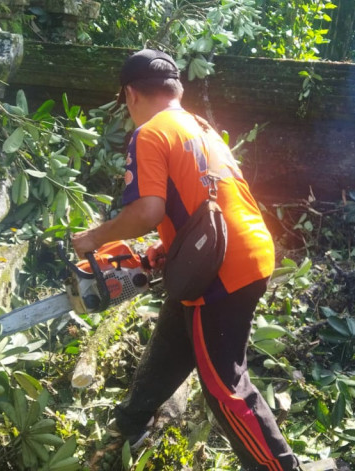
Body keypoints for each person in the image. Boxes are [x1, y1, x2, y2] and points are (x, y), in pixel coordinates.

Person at [72, 49, 300, 471]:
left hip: (220, 270)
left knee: (224, 387)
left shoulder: (151, 133)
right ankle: (129, 425)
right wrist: (169, 248)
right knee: (172, 343)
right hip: (239, 250)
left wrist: (93, 238)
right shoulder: (200, 127)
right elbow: (206, 201)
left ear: (130, 95)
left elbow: (147, 211)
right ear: (175, 89)